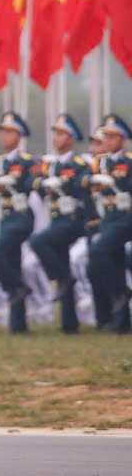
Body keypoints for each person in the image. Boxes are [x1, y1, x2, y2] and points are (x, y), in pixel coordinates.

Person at [0, 112, 38, 332]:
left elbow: (33, 182)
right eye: (2, 131)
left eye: (9, 132)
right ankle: (18, 323)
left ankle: (18, 289)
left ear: (19, 136)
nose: (4, 136)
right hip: (5, 217)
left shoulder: (27, 161)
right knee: (12, 263)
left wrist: (18, 180)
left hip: (21, 217)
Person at [28, 114, 90, 334]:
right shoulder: (49, 165)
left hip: (74, 220)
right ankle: (69, 324)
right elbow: (30, 181)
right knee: (62, 262)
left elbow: (85, 184)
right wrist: (42, 182)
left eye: (62, 134)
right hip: (57, 220)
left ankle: (61, 278)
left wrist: (65, 182)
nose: (57, 138)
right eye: (55, 133)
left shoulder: (80, 163)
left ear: (71, 139)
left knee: (38, 242)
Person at [82, 114, 132, 333]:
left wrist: (118, 181)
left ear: (123, 138)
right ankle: (121, 323)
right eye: (107, 136)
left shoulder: (129, 161)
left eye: (113, 137)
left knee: (98, 250)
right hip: (108, 218)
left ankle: (120, 293)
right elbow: (80, 182)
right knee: (113, 260)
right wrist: (91, 179)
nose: (109, 141)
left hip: (126, 217)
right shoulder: (99, 163)